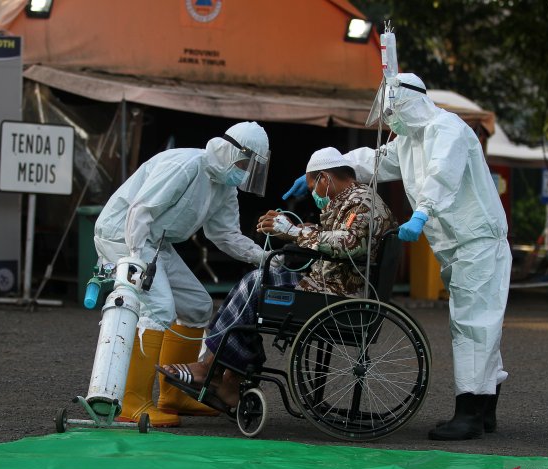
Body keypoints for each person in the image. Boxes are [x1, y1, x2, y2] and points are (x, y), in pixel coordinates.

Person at [284, 73, 511, 441]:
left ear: (407, 101)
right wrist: (318, 173)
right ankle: (483, 413)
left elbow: (443, 173)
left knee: (474, 325)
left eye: (393, 112)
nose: (391, 122)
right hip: (456, 245)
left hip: (478, 240)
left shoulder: (447, 128)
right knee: (478, 323)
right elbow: (372, 161)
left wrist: (422, 212)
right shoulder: (408, 142)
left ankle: (469, 414)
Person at [159, 147, 397, 408]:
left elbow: (348, 243)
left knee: (256, 283)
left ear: (325, 179)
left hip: (339, 294)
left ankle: (214, 369)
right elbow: (338, 236)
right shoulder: (348, 200)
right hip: (329, 285)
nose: (313, 194)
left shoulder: (361, 201)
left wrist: (294, 232)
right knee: (260, 281)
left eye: (312, 187)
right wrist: (294, 230)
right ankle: (226, 375)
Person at [93, 121, 272, 427]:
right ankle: (131, 401)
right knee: (157, 305)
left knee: (198, 305)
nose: (243, 172)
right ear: (228, 150)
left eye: (249, 167)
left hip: (156, 241)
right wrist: (137, 260)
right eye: (243, 163)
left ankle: (175, 395)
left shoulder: (225, 186)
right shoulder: (186, 164)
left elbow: (225, 234)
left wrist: (265, 258)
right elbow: (141, 211)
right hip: (123, 234)